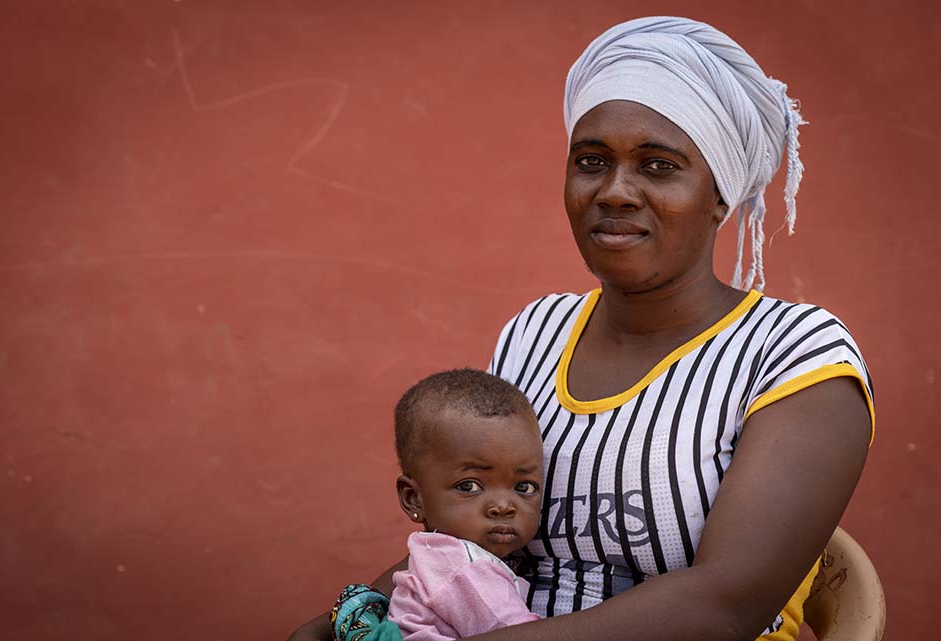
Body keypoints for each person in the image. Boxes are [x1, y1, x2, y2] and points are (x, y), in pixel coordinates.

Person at [290, 16, 874, 641]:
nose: (616, 191)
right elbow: (466, 536)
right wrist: (339, 619)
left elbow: (725, 605)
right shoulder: (533, 333)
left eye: (658, 166)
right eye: (592, 161)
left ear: (719, 198)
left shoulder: (794, 355)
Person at [330, 370, 543, 641]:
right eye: (469, 486)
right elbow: (520, 634)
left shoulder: (434, 554)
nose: (503, 506)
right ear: (413, 498)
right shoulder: (468, 568)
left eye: (523, 487)